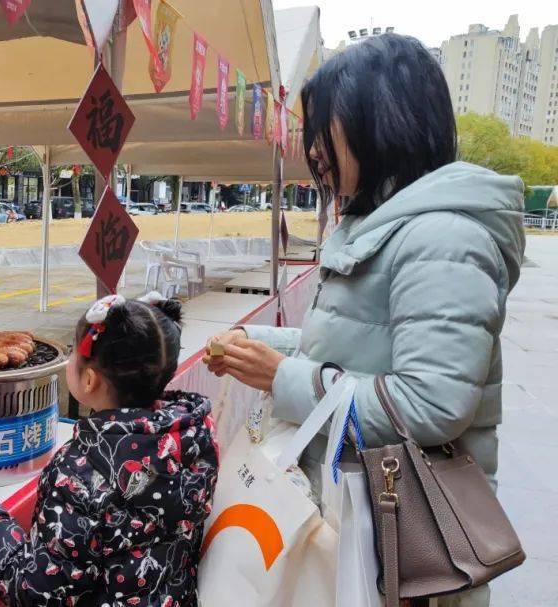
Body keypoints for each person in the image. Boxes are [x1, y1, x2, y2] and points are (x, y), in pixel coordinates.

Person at [205, 34, 524, 606]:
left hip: (403, 542)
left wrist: (284, 377)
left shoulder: (442, 236)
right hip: (360, 515)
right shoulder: (388, 224)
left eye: (329, 128)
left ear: (385, 122)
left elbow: (428, 406)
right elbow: (360, 346)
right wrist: (259, 345)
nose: (317, 150)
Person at [0, 293, 218, 606]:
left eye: (72, 354)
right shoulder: (194, 435)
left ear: (89, 380)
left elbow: (39, 593)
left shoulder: (81, 472)